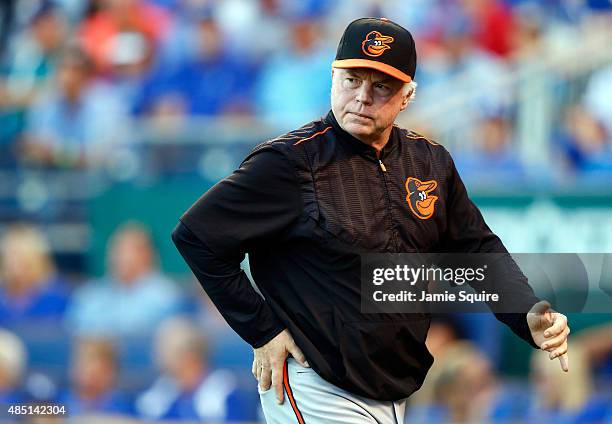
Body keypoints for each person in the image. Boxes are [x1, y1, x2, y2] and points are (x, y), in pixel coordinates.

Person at [172, 17, 570, 423]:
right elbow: (197, 236)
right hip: (315, 383)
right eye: (352, 79)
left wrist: (525, 313)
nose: (362, 96)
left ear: (407, 95)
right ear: (333, 77)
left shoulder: (429, 161)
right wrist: (263, 330)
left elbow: (477, 251)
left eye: (380, 85)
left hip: (392, 393)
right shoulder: (290, 161)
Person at [135, 317, 257, 422]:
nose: (157, 354)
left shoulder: (223, 388)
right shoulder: (160, 391)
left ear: (189, 354)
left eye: (164, 348)